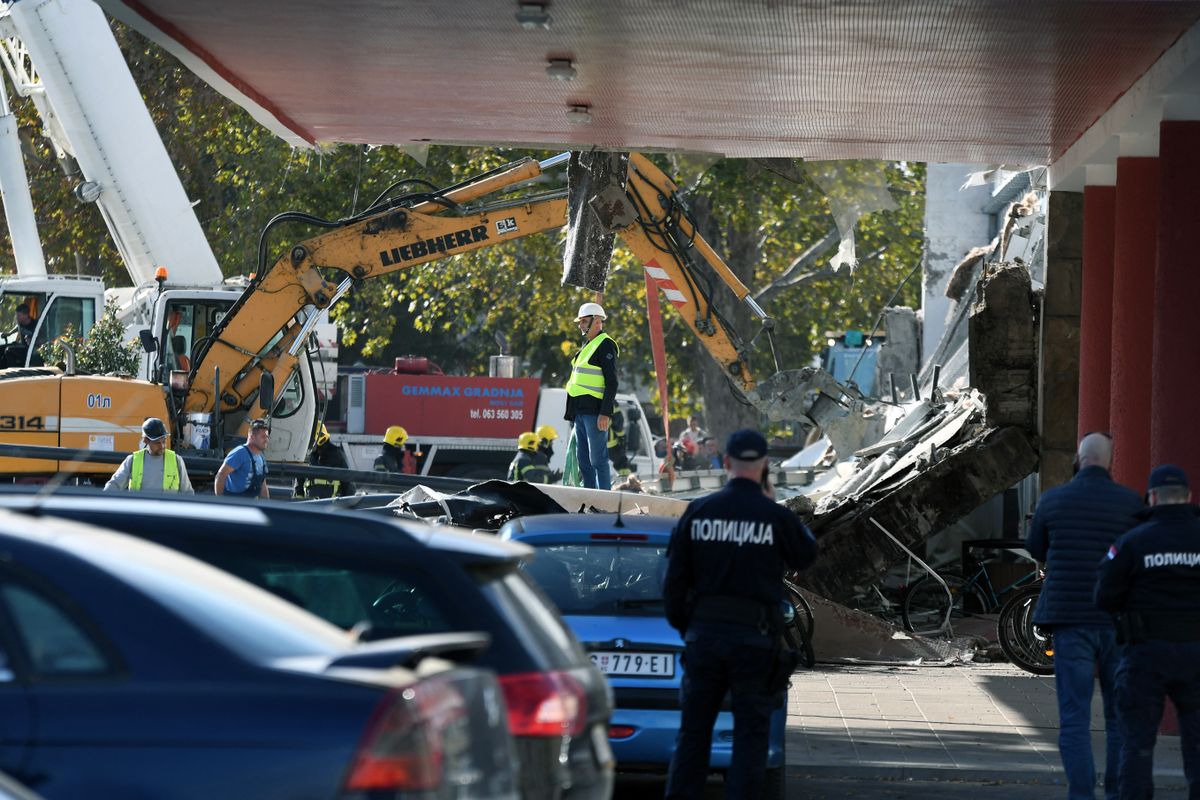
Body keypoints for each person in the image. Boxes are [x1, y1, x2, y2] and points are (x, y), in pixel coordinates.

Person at [663, 428, 819, 799]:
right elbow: (807, 555)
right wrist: (773, 504)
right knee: (750, 740)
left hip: (704, 637)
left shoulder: (699, 511)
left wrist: (691, 626)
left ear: (727, 463)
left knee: (693, 735)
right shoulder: (773, 517)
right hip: (754, 642)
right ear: (765, 464)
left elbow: (672, 585)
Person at [1026, 432, 1142, 800]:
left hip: (1069, 620)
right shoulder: (1130, 503)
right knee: (1117, 718)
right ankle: (1117, 793)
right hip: (1115, 623)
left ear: (1078, 458)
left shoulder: (1053, 499)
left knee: (1074, 718)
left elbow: (1035, 548)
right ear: (1110, 461)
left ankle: (1081, 794)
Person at [1096, 464, 1200, 800]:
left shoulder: (1133, 541)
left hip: (1144, 654)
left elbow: (1104, 596)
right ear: (1188, 497)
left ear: (1152, 498)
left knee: (1137, 744)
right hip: (1197, 654)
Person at [564, 301, 618, 491]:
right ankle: (589, 498)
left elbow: (612, 382)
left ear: (597, 322)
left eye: (584, 321)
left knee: (598, 460)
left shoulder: (605, 345)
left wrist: (605, 413)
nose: (580, 325)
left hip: (595, 413)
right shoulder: (588, 345)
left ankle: (604, 500)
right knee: (584, 461)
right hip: (580, 411)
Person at [104, 417, 194, 493]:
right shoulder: (133, 460)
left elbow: (187, 492)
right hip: (141, 512)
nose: (162, 446)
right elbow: (114, 485)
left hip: (166, 513)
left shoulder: (176, 460)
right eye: (157, 443)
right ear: (146, 441)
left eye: (164, 441)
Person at [295, 423, 355, 498]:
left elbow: (347, 483)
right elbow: (299, 484)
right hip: (309, 506)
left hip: (332, 506)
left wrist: (347, 504)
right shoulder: (306, 457)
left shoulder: (336, 455)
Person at [214, 418, 270, 498]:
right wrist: (220, 501)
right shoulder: (239, 453)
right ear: (252, 436)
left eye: (267, 437)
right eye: (263, 437)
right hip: (234, 506)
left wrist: (267, 506)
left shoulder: (261, 458)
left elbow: (263, 485)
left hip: (249, 506)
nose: (266, 440)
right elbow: (221, 475)